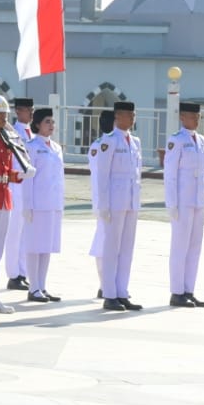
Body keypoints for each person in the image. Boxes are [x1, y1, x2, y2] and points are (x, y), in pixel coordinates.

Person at [92, 100, 144, 312]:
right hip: (114, 201)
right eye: (128, 115)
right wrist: (103, 205)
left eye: (133, 115)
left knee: (127, 249)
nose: (132, 118)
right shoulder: (109, 141)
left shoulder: (135, 142)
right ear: (117, 117)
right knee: (111, 249)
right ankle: (110, 293)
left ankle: (122, 292)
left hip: (131, 201)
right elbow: (102, 176)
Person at [164, 102, 204, 308]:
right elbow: (170, 174)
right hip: (182, 201)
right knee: (180, 247)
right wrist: (171, 203)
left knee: (195, 247)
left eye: (198, 117)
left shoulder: (201, 141)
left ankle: (189, 290)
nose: (197, 120)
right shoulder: (177, 140)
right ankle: (177, 292)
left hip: (198, 200)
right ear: (183, 117)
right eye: (193, 116)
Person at [21, 108, 64, 303]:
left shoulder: (56, 147)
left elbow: (59, 178)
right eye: (47, 122)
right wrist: (27, 205)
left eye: (52, 122)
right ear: (37, 124)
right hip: (37, 204)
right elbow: (28, 179)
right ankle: (33, 287)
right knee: (34, 246)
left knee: (47, 247)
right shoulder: (31, 146)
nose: (51, 125)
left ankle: (42, 286)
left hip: (52, 203)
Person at [2, 97, 35, 291]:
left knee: (25, 234)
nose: (30, 113)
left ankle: (22, 272)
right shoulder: (11, 132)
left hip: (29, 187)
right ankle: (13, 274)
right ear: (18, 112)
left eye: (31, 110)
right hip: (16, 185)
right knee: (14, 234)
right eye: (26, 110)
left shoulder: (31, 132)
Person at [87, 109, 116, 297]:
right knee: (104, 242)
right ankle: (104, 284)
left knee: (112, 243)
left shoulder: (100, 144)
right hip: (105, 201)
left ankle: (109, 284)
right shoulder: (103, 145)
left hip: (112, 200)